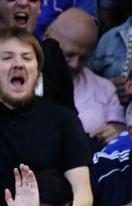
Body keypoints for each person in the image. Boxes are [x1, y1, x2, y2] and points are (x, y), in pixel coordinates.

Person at [0, 28, 93, 206]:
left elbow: (83, 192)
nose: (18, 64)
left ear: (38, 71)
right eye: (7, 57)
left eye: (26, 58)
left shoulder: (63, 119)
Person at [46, 8, 125, 147]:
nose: (75, 64)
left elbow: (120, 130)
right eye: (69, 55)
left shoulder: (104, 89)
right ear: (48, 36)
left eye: (83, 58)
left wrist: (116, 131)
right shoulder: (24, 80)